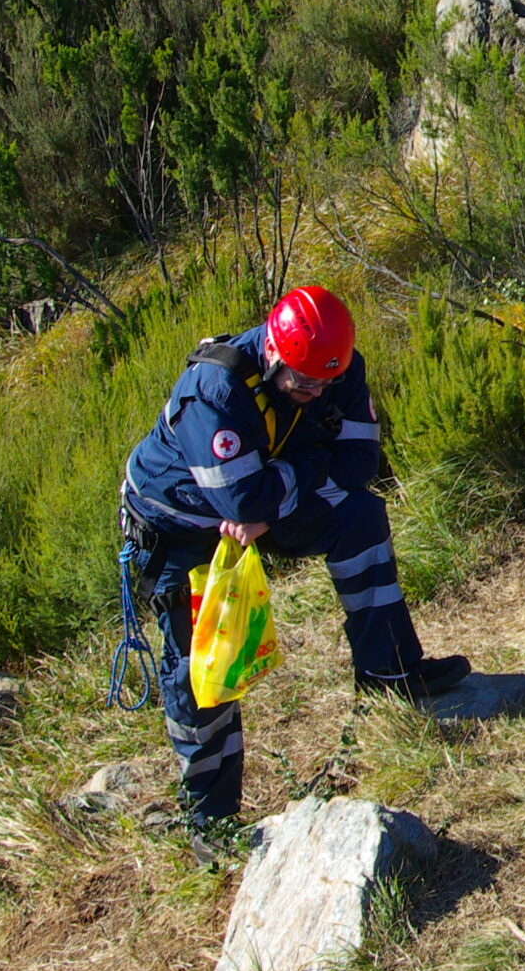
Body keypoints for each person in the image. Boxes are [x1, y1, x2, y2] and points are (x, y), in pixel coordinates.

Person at [119, 286, 470, 858]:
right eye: (303, 384)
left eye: (326, 384)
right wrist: (286, 483)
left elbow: (358, 463)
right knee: (202, 668)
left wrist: (272, 493)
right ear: (275, 354)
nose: (316, 395)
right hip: (178, 529)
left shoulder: (336, 364)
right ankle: (210, 818)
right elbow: (242, 500)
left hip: (256, 503)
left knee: (358, 515)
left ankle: (389, 673)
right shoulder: (215, 392)